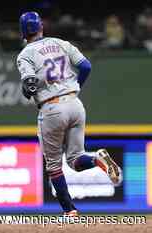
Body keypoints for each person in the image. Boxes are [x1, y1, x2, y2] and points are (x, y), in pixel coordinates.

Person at [16, 12, 122, 216]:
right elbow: (86, 66)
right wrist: (75, 87)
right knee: (76, 160)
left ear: (23, 32)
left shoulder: (25, 54)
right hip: (75, 103)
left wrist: (27, 89)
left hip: (52, 108)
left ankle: (69, 212)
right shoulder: (61, 42)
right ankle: (98, 159)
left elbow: (29, 84)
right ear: (40, 27)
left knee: (54, 165)